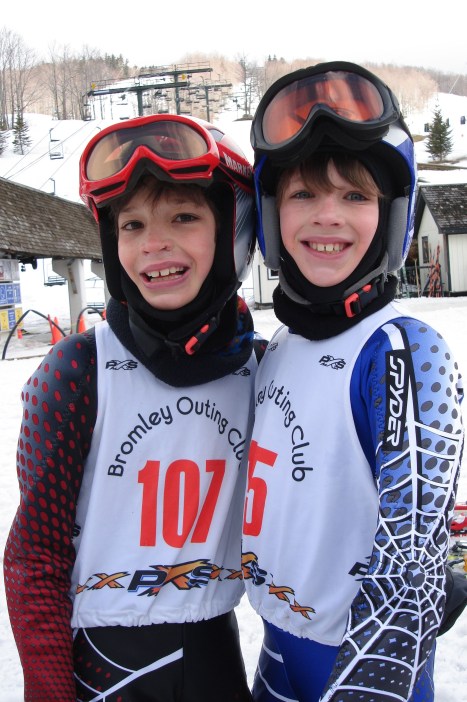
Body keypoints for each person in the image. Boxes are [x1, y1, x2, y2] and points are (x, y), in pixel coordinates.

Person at [4, 113, 261, 701]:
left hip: (216, 657)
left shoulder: (261, 370)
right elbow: (35, 558)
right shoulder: (77, 372)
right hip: (103, 669)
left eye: (184, 216)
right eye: (132, 224)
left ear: (234, 230)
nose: (153, 243)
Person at [242, 61, 465, 701]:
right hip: (278, 645)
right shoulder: (282, 347)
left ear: (392, 215)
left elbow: (412, 564)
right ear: (271, 214)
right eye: (303, 195)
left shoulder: (398, 351)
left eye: (356, 196)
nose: (327, 216)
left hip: (361, 661)